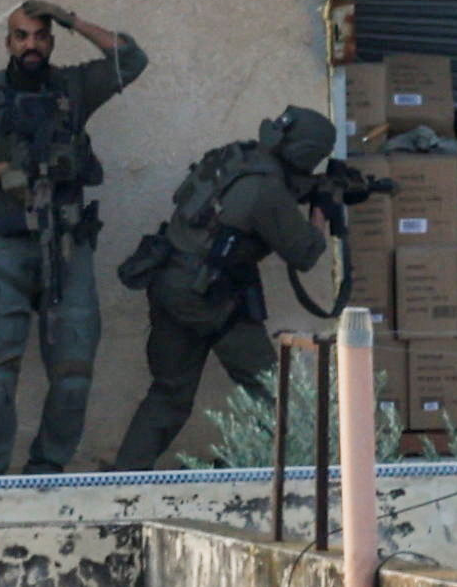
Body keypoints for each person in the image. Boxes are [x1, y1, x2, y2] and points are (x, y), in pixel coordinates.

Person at [0, 0, 149, 485]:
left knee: (74, 375)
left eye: (39, 35)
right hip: (9, 248)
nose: (30, 44)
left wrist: (72, 18)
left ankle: (46, 471)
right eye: (21, 36)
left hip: (70, 247)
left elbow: (132, 59)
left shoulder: (73, 87)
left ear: (51, 42)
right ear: (8, 42)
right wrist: (2, 173)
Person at [112, 106, 336, 471]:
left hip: (170, 280)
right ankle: (280, 470)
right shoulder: (268, 190)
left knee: (170, 393)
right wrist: (324, 208)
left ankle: (126, 474)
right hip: (209, 296)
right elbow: (305, 253)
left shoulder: (238, 156)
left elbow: (241, 205)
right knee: (271, 389)